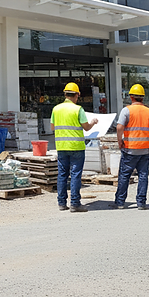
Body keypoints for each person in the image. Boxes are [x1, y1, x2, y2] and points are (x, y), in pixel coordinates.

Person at [50, 82, 98, 212]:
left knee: (62, 175)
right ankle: (75, 204)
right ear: (77, 95)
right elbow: (86, 127)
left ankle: (61, 203)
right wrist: (93, 122)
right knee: (75, 175)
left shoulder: (56, 109)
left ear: (65, 94)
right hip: (76, 147)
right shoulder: (78, 109)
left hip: (61, 147)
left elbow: (52, 127)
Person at [112, 84, 149, 210]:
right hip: (145, 149)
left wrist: (119, 141)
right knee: (143, 176)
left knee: (124, 175)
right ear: (143, 97)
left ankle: (120, 202)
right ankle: (141, 203)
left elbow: (119, 127)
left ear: (131, 97)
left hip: (130, 149)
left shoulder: (126, 110)